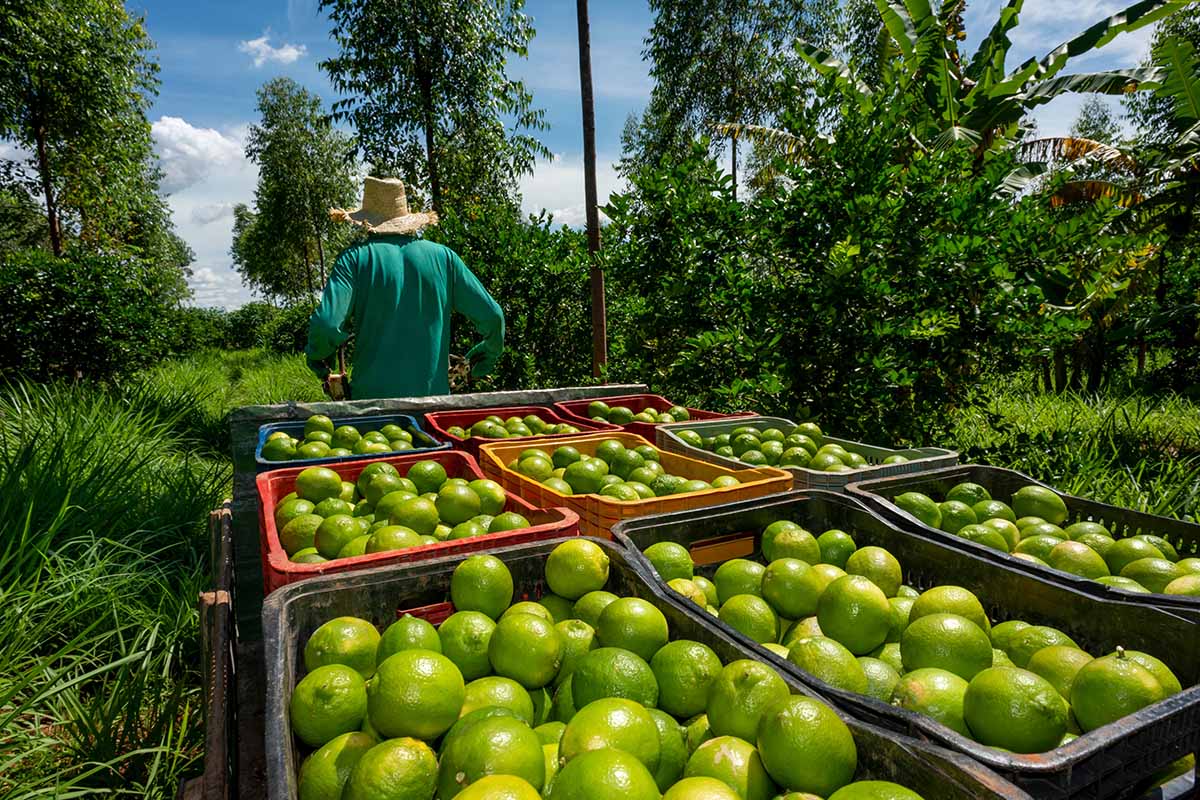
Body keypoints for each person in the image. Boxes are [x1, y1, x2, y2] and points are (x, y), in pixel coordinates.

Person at [305, 177, 505, 399]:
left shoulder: (353, 259)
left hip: (372, 408)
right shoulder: (444, 258)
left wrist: (319, 359)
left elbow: (326, 324)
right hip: (434, 404)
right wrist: (489, 353)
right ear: (406, 216)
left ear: (364, 220)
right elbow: (493, 316)